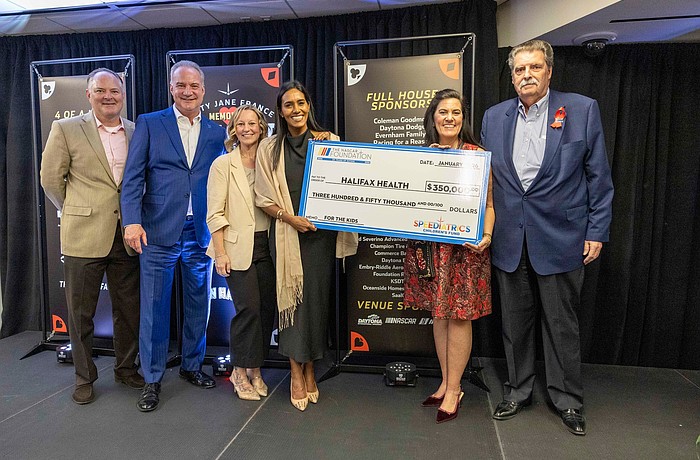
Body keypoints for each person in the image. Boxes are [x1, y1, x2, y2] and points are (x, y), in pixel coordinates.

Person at [481, 39, 614, 436]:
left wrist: (597, 230)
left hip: (562, 237)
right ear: (512, 76)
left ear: (549, 71)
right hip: (509, 239)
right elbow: (481, 176)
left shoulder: (581, 110)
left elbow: (598, 177)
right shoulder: (494, 117)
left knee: (561, 325)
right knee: (514, 325)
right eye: (519, 69)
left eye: (534, 67)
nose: (527, 75)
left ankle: (568, 400)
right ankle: (517, 390)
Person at [120, 60, 226, 412]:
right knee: (154, 307)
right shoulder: (150, 123)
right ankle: (151, 378)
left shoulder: (216, 132)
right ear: (171, 88)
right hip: (157, 231)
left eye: (194, 85)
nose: (187, 91)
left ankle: (191, 365)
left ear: (203, 90)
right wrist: (131, 221)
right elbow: (133, 177)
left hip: (200, 233)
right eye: (181, 85)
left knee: (199, 303)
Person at [40, 68, 143, 404]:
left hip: (125, 236)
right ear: (89, 94)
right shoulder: (66, 128)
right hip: (83, 236)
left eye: (114, 91)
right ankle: (84, 376)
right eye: (101, 90)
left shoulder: (135, 130)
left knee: (128, 310)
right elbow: (50, 179)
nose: (108, 96)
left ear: (123, 95)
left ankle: (125, 369)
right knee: (81, 313)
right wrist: (76, 209)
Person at [255, 81, 357, 411]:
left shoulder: (329, 141)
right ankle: (295, 372)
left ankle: (311, 366)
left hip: (319, 237)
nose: (296, 109)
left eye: (301, 103)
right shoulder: (269, 148)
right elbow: (263, 197)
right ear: (280, 111)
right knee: (291, 303)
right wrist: (290, 218)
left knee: (314, 303)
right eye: (289, 105)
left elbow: (346, 186)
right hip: (287, 234)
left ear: (308, 106)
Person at [403, 89, 494, 424]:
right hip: (430, 250)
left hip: (464, 252)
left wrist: (486, 236)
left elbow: (489, 205)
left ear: (463, 118)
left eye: (456, 112)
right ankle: (445, 382)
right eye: (443, 112)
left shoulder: (477, 156)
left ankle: (455, 390)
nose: (450, 118)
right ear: (433, 117)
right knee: (439, 315)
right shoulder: (420, 157)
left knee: (458, 317)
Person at [206, 105, 276, 401]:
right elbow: (215, 213)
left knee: (266, 311)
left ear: (261, 127)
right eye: (241, 124)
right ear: (234, 129)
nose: (247, 128)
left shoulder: (270, 161)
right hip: (236, 248)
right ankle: (238, 371)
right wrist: (221, 253)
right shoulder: (222, 164)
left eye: (252, 123)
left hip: (268, 246)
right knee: (248, 310)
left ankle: (255, 369)